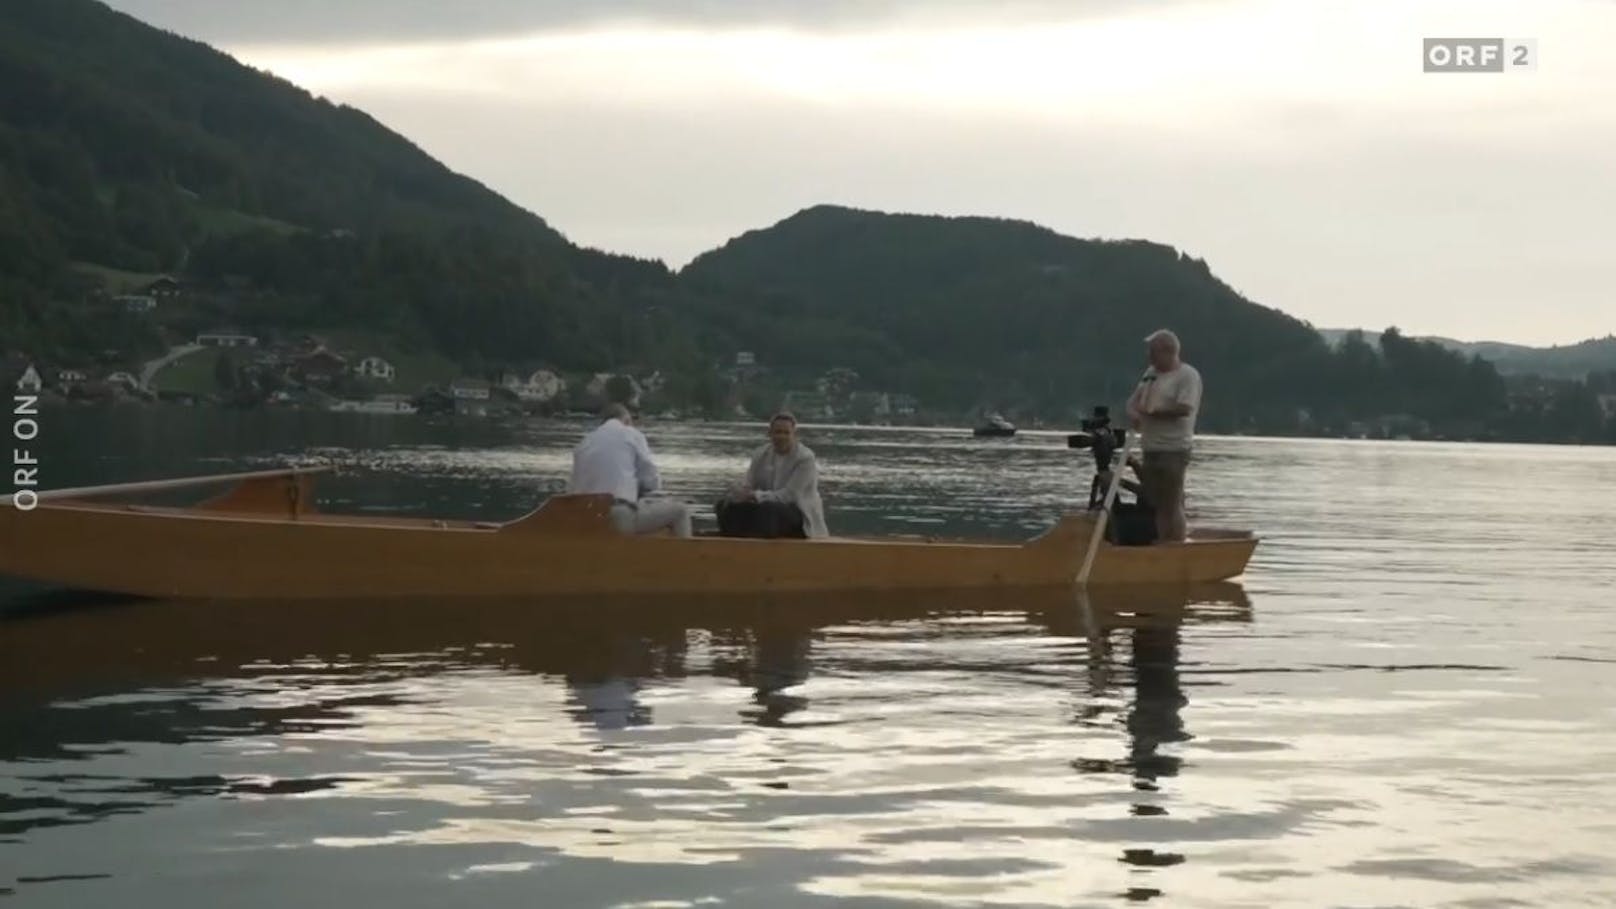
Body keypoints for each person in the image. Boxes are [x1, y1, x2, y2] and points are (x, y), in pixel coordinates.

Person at [567, 403, 692, 538]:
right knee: (681, 511)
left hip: (587, 518)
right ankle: (689, 557)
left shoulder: (585, 442)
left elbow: (573, 489)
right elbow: (652, 481)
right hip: (618, 516)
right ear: (626, 420)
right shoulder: (632, 434)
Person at [1125, 329, 1202, 543]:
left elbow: (1184, 408)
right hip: (1151, 446)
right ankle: (1162, 540)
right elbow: (1135, 400)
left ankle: (1176, 543)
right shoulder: (1151, 373)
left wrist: (1154, 413)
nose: (1149, 357)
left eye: (1153, 352)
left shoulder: (1187, 375)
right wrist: (1134, 414)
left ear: (1169, 352)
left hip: (1174, 448)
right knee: (1157, 501)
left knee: (1172, 500)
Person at [716, 412, 829, 539]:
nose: (781, 436)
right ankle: (732, 544)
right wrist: (738, 492)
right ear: (770, 434)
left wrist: (755, 496)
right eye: (778, 432)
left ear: (794, 435)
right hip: (765, 507)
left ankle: (763, 549)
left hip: (798, 512)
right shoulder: (760, 454)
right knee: (725, 505)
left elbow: (789, 496)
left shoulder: (805, 458)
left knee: (769, 510)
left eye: (786, 433)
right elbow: (748, 482)